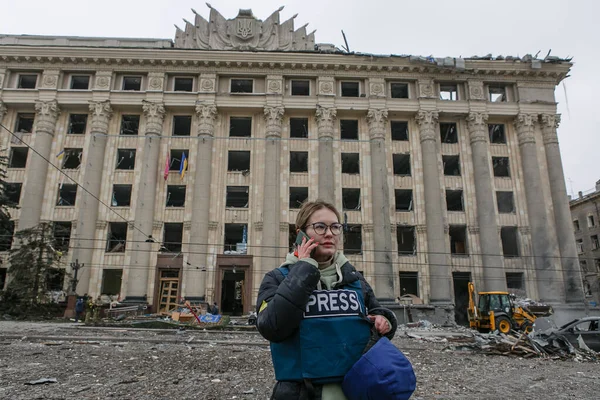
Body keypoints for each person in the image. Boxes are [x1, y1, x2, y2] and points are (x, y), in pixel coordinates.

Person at [256, 200, 397, 400]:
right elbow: (270, 326)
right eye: (320, 227)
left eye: (335, 227)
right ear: (300, 233)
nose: (329, 234)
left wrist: (385, 321)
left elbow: (378, 313)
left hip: (354, 389)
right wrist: (304, 269)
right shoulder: (277, 278)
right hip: (301, 393)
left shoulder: (354, 278)